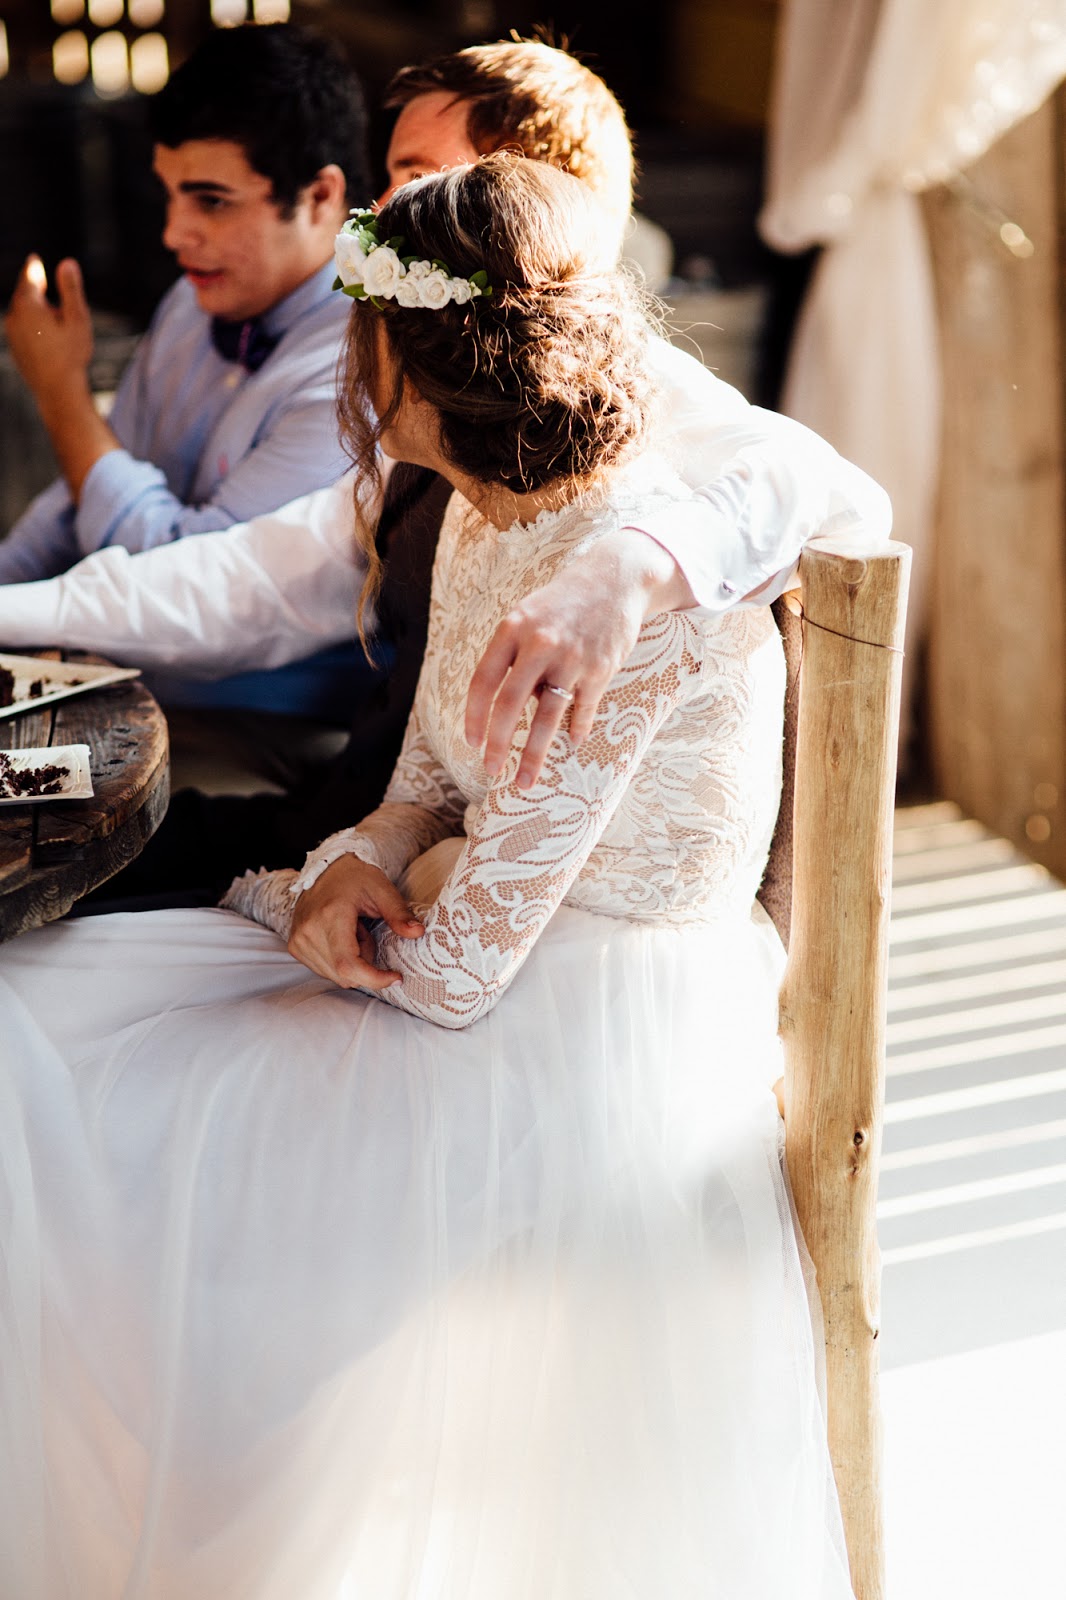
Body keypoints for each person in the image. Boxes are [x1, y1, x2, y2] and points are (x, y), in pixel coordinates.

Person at [0, 153, 855, 1600]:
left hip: (558, 1029)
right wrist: (351, 863)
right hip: (434, 941)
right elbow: (421, 795)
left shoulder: (625, 593)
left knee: (115, 1114)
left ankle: (177, 1501)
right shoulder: (476, 508)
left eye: (365, 333)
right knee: (38, 993)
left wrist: (286, 895)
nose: (348, 360)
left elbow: (456, 979)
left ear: (426, 361)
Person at [0, 39, 890, 900]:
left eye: (420, 176)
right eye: (392, 175)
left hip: (469, 875)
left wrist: (631, 567)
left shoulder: (631, 385)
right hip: (383, 819)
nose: (383, 209)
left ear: (526, 199)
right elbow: (253, 577)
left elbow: (836, 489)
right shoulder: (424, 403)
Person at [0, 21, 370, 745]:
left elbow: (178, 580)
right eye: (169, 195)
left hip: (264, 728)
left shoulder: (360, 365)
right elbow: (82, 493)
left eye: (211, 201)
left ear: (321, 196)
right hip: (122, 679)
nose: (174, 234)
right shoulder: (191, 301)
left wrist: (61, 393)